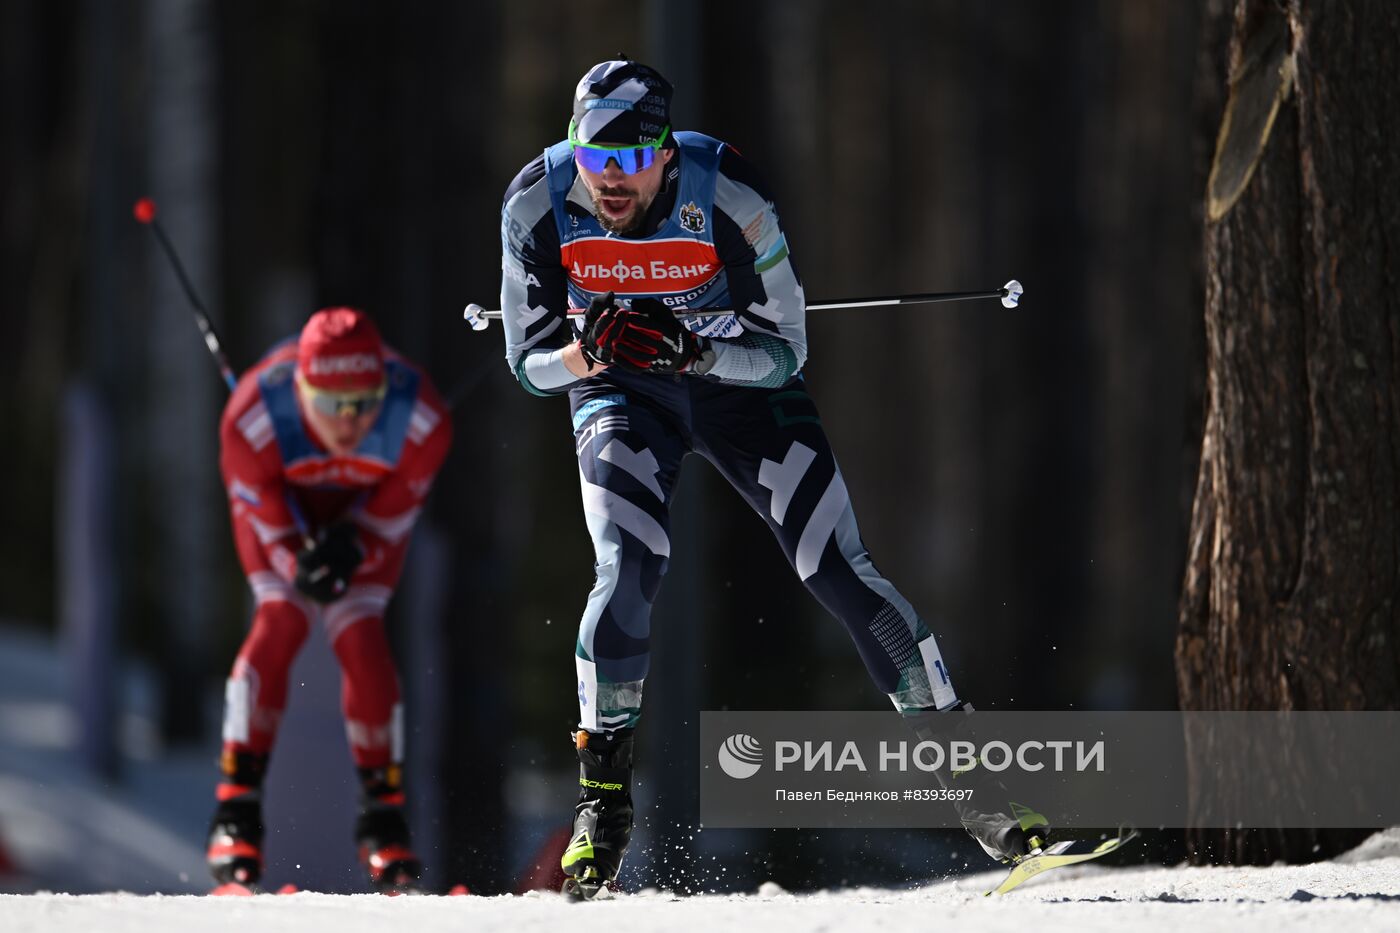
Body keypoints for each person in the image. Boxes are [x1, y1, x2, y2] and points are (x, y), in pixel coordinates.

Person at [498, 59, 1043, 897]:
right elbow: (526, 365)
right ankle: (602, 808)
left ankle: (976, 785)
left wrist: (695, 350)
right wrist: (590, 350)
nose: (611, 179)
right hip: (618, 389)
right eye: (594, 157)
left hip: (739, 386)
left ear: (666, 155)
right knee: (629, 565)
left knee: (835, 566)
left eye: (632, 158)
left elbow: (789, 348)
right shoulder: (537, 199)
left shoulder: (729, 192)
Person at [207, 307, 452, 892]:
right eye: (331, 405)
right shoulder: (252, 418)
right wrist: (299, 557)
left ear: (383, 388)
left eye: (364, 403)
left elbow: (391, 519)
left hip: (363, 520)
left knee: (361, 634)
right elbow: (265, 518)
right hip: (283, 518)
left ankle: (384, 817)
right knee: (281, 619)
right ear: (301, 389)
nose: (349, 422)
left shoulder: (420, 418)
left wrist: (356, 542)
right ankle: (234, 810)